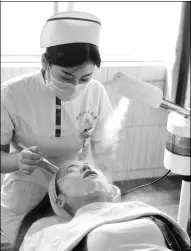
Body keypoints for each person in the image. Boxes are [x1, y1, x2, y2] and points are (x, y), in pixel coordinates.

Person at [1, 11, 116, 245]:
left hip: (77, 199)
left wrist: (106, 191)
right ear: (45, 63)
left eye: (85, 78)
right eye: (66, 76)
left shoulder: (96, 92)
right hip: (26, 196)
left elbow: (104, 151)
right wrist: (17, 161)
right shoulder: (11, 94)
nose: (75, 86)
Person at [14, 160, 190, 251]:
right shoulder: (57, 234)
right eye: (72, 169)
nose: (85, 168)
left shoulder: (138, 209)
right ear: (60, 201)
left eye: (87, 165)